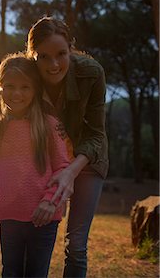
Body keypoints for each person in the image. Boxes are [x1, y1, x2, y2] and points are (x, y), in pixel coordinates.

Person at [26, 16, 108, 277]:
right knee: (34, 235)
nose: (53, 65)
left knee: (76, 244)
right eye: (44, 57)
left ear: (71, 48)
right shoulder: (24, 73)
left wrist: (70, 172)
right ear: (32, 55)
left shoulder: (91, 73)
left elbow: (96, 134)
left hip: (87, 160)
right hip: (45, 158)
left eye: (61, 54)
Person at [0, 53, 70, 277]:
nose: (17, 93)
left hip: (44, 216)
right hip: (9, 215)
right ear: (0, 88)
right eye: (10, 86)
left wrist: (50, 202)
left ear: (35, 89)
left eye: (25, 87)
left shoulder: (50, 125)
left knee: (36, 273)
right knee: (10, 272)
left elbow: (63, 168)